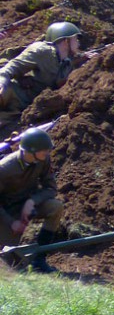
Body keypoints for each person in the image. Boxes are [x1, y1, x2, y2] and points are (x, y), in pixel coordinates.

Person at [0, 127, 63, 272]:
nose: (47, 153)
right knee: (10, 262)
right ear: (31, 151)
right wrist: (12, 222)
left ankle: (39, 259)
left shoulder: (43, 160)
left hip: (28, 204)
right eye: (44, 151)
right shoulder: (4, 169)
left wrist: (32, 201)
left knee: (56, 207)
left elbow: (51, 188)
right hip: (7, 212)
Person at [0, 22, 94, 112]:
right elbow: (10, 68)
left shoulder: (66, 63)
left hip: (20, 106)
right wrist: (2, 84)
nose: (78, 43)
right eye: (75, 39)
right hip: (9, 93)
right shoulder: (42, 51)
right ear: (66, 41)